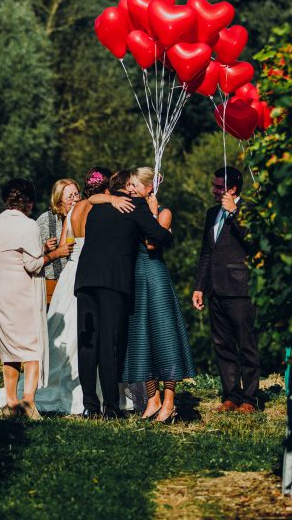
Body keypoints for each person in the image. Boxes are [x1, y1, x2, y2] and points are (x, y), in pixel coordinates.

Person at [74, 170, 173, 419]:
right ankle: (111, 406)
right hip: (113, 281)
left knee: (88, 343)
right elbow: (157, 235)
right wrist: (166, 230)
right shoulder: (135, 206)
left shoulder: (97, 207)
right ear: (127, 186)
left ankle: (90, 406)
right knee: (110, 343)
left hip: (86, 279)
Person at [0, 178, 71, 419]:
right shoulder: (28, 225)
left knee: (9, 348)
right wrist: (54, 254)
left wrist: (41, 248)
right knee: (32, 347)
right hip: (21, 291)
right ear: (29, 202)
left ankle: (10, 403)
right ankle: (28, 401)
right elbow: (31, 265)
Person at [122, 168, 196, 423]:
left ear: (148, 189)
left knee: (164, 337)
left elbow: (152, 244)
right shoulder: (130, 212)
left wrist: (152, 214)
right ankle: (152, 399)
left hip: (155, 276)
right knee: (141, 338)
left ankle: (169, 402)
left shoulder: (164, 213)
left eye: (134, 185)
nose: (129, 189)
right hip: (135, 278)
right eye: (128, 185)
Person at [191, 166, 261, 414]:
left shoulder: (250, 210)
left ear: (232, 189)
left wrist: (235, 213)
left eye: (219, 187)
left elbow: (255, 243)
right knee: (223, 345)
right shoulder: (211, 213)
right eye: (214, 185)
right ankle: (231, 395)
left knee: (247, 345)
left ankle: (250, 399)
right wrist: (199, 287)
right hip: (215, 288)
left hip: (240, 288)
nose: (214, 190)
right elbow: (206, 252)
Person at [37, 179, 81, 305]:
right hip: (51, 284)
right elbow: (31, 255)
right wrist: (45, 248)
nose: (75, 200)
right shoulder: (45, 220)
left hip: (76, 282)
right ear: (59, 201)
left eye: (77, 194)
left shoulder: (83, 217)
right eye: (70, 197)